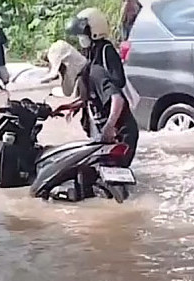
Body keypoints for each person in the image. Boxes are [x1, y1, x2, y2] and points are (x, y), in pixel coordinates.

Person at [46, 40, 139, 168]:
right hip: (109, 134)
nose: (63, 73)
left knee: (111, 172)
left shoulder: (96, 73)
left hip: (123, 134)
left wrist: (109, 126)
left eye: (62, 69)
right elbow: (88, 99)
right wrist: (68, 107)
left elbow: (118, 99)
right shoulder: (84, 77)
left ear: (68, 63)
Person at [66, 8, 126, 90]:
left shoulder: (106, 50)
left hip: (109, 98)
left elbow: (119, 81)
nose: (81, 37)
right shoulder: (90, 50)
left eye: (84, 33)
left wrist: (103, 83)